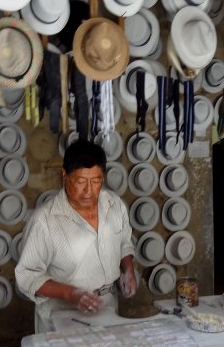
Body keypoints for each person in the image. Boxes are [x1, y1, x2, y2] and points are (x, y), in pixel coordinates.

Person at [16, 139, 137, 333]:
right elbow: (27, 276)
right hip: (61, 314)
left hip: (107, 307)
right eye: (80, 181)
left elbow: (124, 242)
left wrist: (128, 269)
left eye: (96, 181)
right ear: (64, 176)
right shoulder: (44, 220)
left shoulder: (114, 205)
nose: (89, 190)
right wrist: (71, 293)